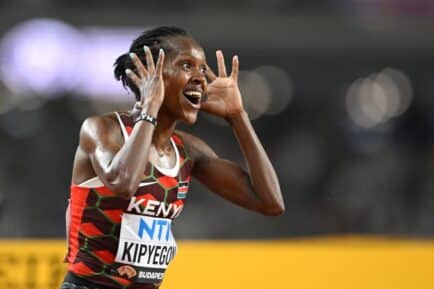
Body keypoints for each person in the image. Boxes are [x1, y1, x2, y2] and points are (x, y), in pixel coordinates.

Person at [61, 26, 284, 289]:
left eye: (203, 68)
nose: (201, 78)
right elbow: (124, 182)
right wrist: (150, 106)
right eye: (187, 65)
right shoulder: (103, 129)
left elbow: (269, 202)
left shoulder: (188, 150)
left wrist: (238, 117)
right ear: (150, 73)